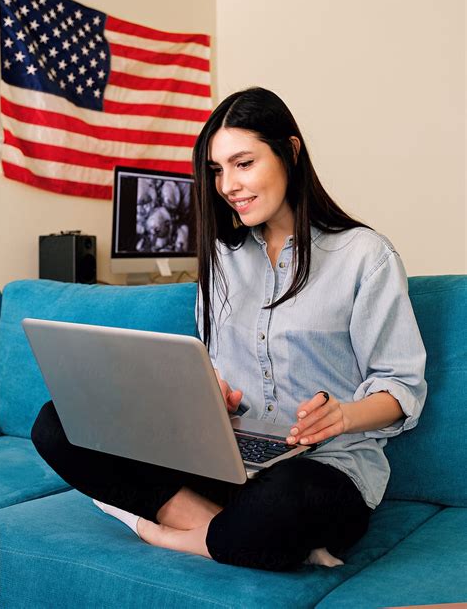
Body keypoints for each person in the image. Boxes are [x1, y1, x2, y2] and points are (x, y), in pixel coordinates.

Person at [32, 87, 427, 572]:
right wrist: (209, 391)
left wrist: (343, 415)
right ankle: (222, 530)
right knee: (59, 421)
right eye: (217, 170)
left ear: (291, 151)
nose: (228, 185)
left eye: (243, 163)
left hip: (322, 468)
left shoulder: (365, 256)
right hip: (225, 456)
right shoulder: (222, 258)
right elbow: (214, 364)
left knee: (286, 501)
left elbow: (401, 386)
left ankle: (162, 532)